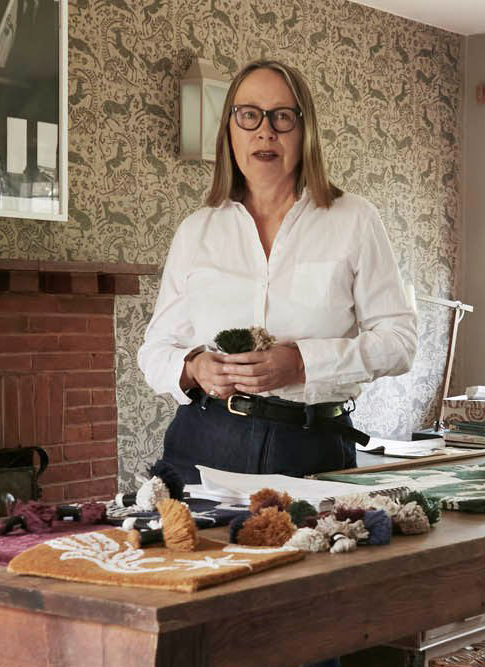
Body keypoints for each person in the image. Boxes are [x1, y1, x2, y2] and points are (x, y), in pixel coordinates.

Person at [138, 58, 416, 490]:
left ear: (306, 131)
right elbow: (155, 350)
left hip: (312, 444)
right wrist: (193, 368)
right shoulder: (197, 230)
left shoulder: (354, 219)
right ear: (230, 128)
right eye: (249, 115)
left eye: (282, 117)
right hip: (205, 440)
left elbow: (399, 343)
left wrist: (303, 363)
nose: (265, 131)